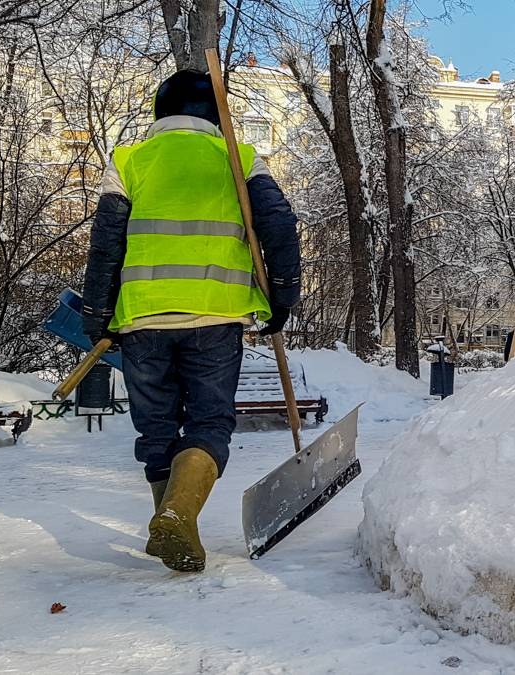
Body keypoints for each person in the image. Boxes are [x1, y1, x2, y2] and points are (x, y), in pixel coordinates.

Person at [80, 69, 301, 572]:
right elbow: (279, 224)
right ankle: (179, 515)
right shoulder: (240, 158)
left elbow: (106, 243)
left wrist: (98, 314)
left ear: (161, 111)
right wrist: (283, 297)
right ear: (214, 114)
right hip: (215, 316)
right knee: (208, 422)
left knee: (156, 428)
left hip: (141, 320)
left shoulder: (130, 161)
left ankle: (175, 523)